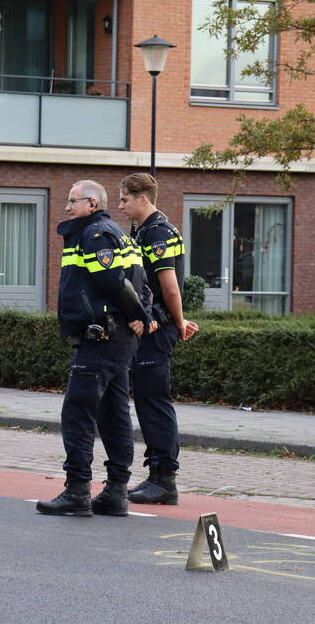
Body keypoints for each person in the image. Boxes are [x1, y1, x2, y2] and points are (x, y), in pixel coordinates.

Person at [36, 180, 153, 517]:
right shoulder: (117, 233)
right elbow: (141, 282)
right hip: (117, 339)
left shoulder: (96, 234)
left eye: (72, 202)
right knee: (114, 412)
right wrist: (139, 316)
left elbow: (111, 281)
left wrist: (138, 316)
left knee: (78, 411)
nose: (67, 208)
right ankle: (116, 492)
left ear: (91, 203)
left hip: (99, 337)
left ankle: (77, 490)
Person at [118, 173, 198, 505]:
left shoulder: (158, 233)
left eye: (124, 199)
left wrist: (178, 323)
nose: (121, 206)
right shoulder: (145, 230)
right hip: (153, 325)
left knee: (154, 403)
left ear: (143, 198)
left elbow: (169, 285)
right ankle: (156, 474)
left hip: (156, 329)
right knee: (149, 401)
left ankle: (164, 479)